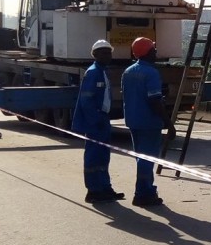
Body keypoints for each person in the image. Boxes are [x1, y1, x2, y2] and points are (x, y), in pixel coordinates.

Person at [122, 37, 175, 209]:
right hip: (149, 122)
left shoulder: (128, 71)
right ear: (148, 52)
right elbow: (154, 100)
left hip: (133, 120)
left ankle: (147, 191)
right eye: (153, 49)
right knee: (147, 159)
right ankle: (143, 194)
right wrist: (168, 123)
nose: (156, 52)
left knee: (141, 158)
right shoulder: (151, 73)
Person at [72, 40, 125, 203]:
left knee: (103, 156)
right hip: (95, 120)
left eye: (109, 52)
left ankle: (104, 187)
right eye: (103, 53)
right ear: (95, 55)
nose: (107, 56)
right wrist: (95, 119)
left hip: (102, 118)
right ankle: (93, 191)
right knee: (94, 156)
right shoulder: (93, 72)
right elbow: (86, 100)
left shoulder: (102, 71)